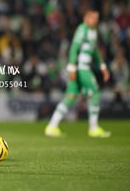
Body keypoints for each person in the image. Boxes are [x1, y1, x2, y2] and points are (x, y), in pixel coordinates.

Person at [45, 9, 111, 138]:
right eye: (92, 18)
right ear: (86, 18)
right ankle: (93, 128)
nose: (95, 20)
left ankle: (51, 126)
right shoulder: (83, 29)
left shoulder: (93, 31)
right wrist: (72, 68)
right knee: (95, 93)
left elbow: (95, 50)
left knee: (71, 96)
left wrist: (103, 66)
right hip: (81, 68)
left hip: (80, 68)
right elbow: (74, 48)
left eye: (97, 18)